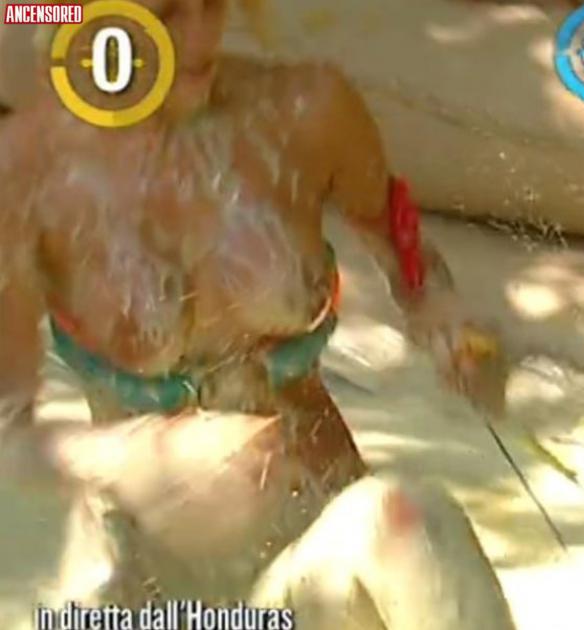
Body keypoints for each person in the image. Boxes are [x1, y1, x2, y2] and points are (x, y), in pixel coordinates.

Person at [0, 0, 515, 624]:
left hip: (321, 545)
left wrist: (449, 322)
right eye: (166, 14)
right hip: (146, 589)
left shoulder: (306, 112)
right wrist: (129, 458)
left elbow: (410, 260)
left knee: (413, 523)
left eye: (212, 3)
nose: (199, 36)